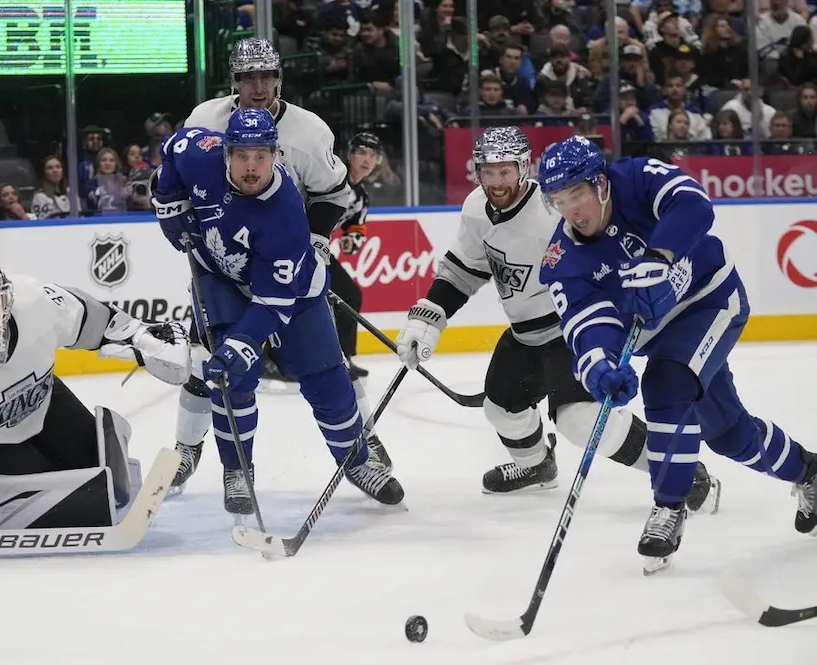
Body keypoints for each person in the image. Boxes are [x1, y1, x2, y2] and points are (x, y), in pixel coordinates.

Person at [394, 127, 718, 513]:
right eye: (488, 171)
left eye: (505, 171)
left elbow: (605, 252)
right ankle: (537, 466)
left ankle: (680, 469)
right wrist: (429, 317)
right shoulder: (476, 208)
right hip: (525, 333)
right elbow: (464, 269)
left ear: (523, 169)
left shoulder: (553, 210)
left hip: (571, 328)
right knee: (501, 409)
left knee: (581, 421)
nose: (496, 182)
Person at [535, 135, 817, 572]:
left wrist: (659, 256)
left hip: (711, 301)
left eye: (576, 194)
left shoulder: (635, 178)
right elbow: (586, 324)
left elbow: (693, 205)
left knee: (666, 383)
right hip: (664, 338)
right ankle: (809, 472)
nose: (570, 210)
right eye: (558, 200)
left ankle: (669, 507)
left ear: (601, 184)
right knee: (728, 435)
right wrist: (600, 367)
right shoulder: (562, 261)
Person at [152, 108, 404, 516]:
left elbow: (273, 301)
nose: (251, 167)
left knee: (326, 377)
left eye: (261, 156)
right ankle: (237, 470)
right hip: (220, 280)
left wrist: (241, 345)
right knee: (233, 381)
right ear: (225, 153)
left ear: (276, 155)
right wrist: (167, 200)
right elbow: (173, 147)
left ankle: (356, 462)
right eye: (242, 156)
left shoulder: (284, 213)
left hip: (291, 292)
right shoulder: (199, 152)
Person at [0, 253, 192, 541]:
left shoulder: (33, 301)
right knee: (61, 502)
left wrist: (142, 336)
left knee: (101, 476)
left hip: (41, 404)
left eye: (1, 297)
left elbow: (89, 318)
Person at [331, 131, 382, 381]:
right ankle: (271, 357)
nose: (367, 159)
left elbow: (356, 229)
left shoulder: (361, 196)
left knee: (349, 295)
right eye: (361, 152)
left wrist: (351, 241)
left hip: (316, 250)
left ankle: (343, 356)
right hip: (295, 244)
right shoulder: (331, 178)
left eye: (372, 155)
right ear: (349, 155)